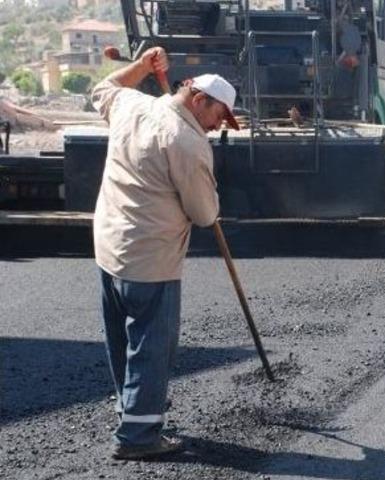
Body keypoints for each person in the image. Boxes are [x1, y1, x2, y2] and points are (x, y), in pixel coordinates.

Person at [91, 47, 240, 459]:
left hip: (109, 248)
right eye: (217, 116)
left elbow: (103, 88)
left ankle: (131, 410)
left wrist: (139, 68)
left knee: (123, 340)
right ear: (198, 99)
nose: (216, 127)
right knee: (152, 347)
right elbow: (204, 212)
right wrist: (211, 196)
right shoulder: (187, 142)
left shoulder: (132, 105)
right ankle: (138, 438)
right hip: (151, 260)